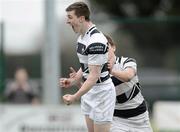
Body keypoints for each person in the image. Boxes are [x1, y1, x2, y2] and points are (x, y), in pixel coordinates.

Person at [66, 35, 153, 132]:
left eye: (106, 47)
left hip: (140, 118)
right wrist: (77, 83)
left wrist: (112, 71)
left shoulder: (126, 62)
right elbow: (92, 94)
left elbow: (128, 76)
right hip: (116, 119)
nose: (103, 51)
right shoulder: (96, 72)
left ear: (114, 47)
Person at [60, 2, 116, 132]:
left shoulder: (95, 40)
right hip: (89, 91)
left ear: (81, 18)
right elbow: (86, 67)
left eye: (70, 17)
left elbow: (94, 76)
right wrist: (73, 80)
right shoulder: (82, 38)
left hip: (102, 92)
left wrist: (75, 96)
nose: (67, 21)